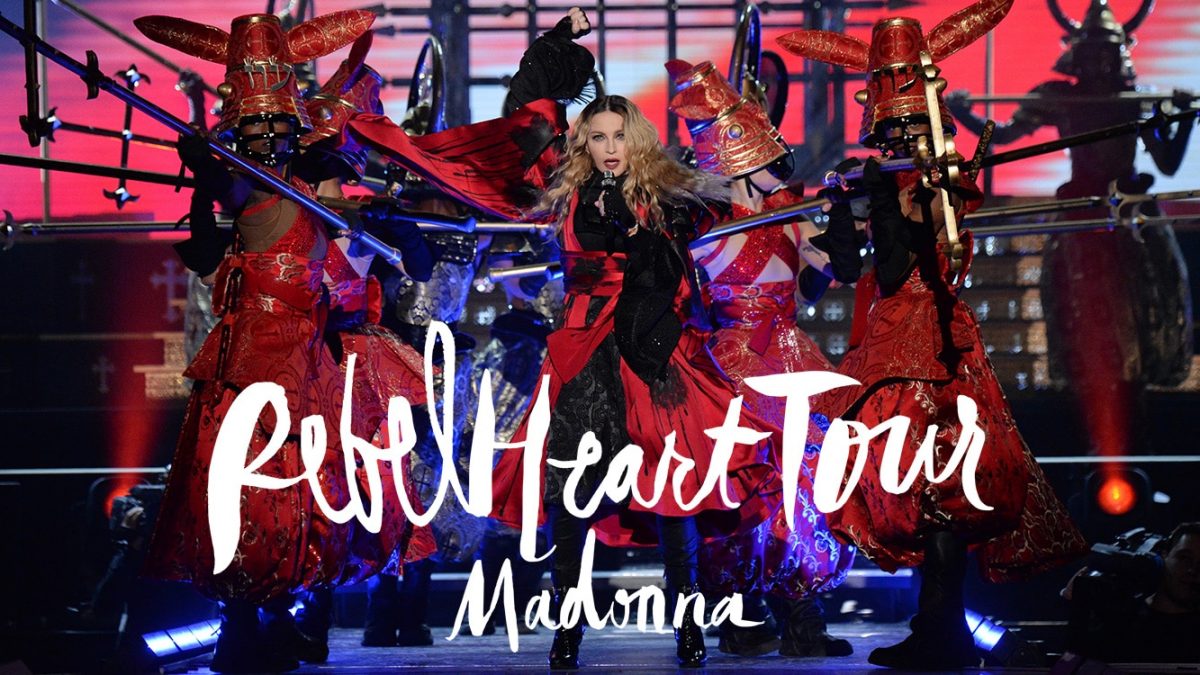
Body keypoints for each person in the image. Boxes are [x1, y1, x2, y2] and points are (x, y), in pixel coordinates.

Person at [778, 0, 1088, 668]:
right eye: (890, 133)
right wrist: (842, 210)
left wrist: (882, 200)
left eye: (905, 130)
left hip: (927, 345)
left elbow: (900, 266)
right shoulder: (903, 180)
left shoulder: (937, 186)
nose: (895, 142)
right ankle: (935, 625)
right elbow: (856, 267)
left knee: (940, 488)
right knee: (920, 490)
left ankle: (943, 631)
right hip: (894, 339)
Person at [488, 92, 779, 670]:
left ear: (637, 138)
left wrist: (646, 225)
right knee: (570, 493)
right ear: (583, 143)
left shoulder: (665, 197)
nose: (610, 148)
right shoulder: (567, 194)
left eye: (619, 136)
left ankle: (688, 626)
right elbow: (518, 131)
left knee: (672, 487)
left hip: (647, 347)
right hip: (580, 349)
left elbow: (683, 250)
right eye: (598, 137)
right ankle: (566, 633)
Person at [133, 10, 375, 673]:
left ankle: (285, 614)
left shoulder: (313, 182)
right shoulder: (245, 187)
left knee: (306, 489)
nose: (267, 139)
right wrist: (206, 175)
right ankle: (242, 622)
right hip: (251, 360)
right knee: (246, 490)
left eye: (277, 128)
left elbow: (343, 259)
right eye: (254, 129)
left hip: (307, 357)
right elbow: (224, 203)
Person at [946, 0, 1194, 462]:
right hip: (1082, 221)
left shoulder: (1138, 99)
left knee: (1138, 325)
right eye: (1092, 53)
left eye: (1107, 53)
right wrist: (962, 113)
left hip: (1131, 222)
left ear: (1120, 54)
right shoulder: (1060, 98)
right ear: (1077, 55)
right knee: (1085, 325)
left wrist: (1183, 118)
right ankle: (1096, 448)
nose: (1099, 63)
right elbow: (1003, 138)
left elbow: (1167, 162)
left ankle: (1136, 447)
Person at [666, 58, 855, 658]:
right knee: (745, 485)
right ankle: (742, 612)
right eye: (770, 155)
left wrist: (843, 218)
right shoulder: (702, 231)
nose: (782, 162)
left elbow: (822, 279)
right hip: (732, 363)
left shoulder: (790, 219)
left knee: (807, 483)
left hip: (791, 353)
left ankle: (802, 612)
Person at [286, 31, 440, 662]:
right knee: (311, 486)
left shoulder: (371, 215)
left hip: (362, 371)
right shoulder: (286, 214)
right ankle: (310, 617)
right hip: (304, 362)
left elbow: (421, 268)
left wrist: (402, 226)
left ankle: (389, 606)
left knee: (381, 487)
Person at [1064, 523, 1200, 665]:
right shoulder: (1119, 622)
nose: (1192, 570)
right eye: (1184, 558)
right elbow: (1069, 665)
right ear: (1165, 555)